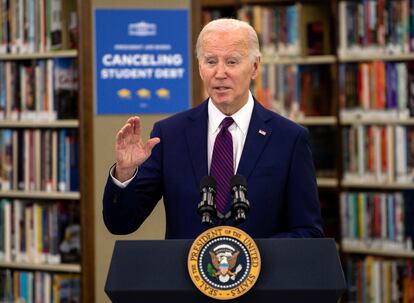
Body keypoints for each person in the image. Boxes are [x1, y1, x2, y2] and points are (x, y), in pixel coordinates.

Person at [102, 18, 324, 239]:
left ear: (255, 67)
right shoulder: (170, 135)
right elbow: (121, 223)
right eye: (210, 61)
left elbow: (309, 231)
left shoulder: (289, 139)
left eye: (231, 62)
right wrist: (125, 173)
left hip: (261, 273)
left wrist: (252, 254)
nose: (220, 73)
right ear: (199, 68)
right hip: (184, 274)